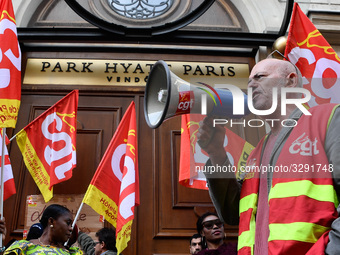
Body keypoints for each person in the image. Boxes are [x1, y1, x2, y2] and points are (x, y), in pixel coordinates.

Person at [197, 57, 340, 254]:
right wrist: (216, 154)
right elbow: (232, 213)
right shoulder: (257, 151)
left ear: (290, 81)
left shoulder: (328, 119)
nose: (251, 85)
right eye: (248, 82)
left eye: (260, 77)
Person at [4, 204, 82, 255]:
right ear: (51, 221)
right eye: (68, 223)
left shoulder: (74, 253)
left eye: (71, 225)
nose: (71, 229)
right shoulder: (21, 247)